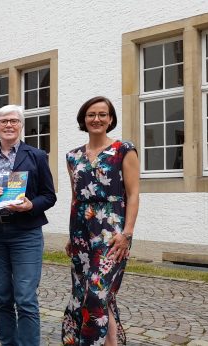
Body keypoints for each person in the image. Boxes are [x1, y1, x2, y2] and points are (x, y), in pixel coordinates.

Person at [0, 104, 57, 346]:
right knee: (1, 298)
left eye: (14, 121)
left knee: (25, 298)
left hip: (26, 233)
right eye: (3, 121)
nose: (9, 125)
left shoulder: (37, 156)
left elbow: (49, 196)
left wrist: (31, 205)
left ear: (21, 125)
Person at [61, 96, 139, 346]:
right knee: (87, 293)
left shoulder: (123, 150)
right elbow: (76, 198)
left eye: (102, 114)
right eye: (91, 114)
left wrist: (127, 232)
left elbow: (134, 193)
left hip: (112, 231)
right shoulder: (73, 157)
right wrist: (70, 236)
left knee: (96, 294)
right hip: (81, 232)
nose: (97, 119)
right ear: (84, 120)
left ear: (111, 119)